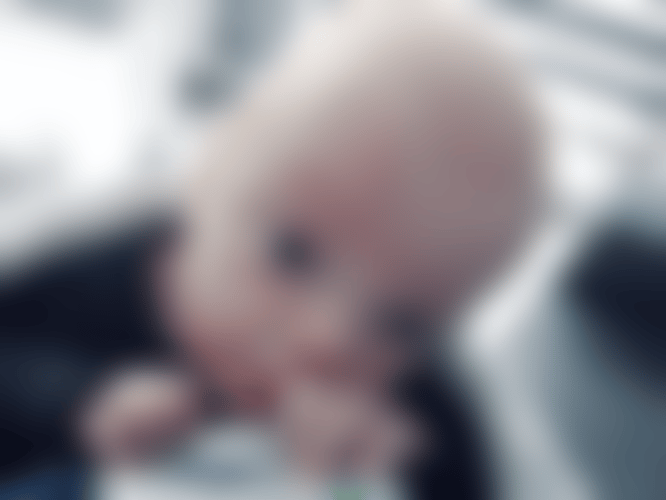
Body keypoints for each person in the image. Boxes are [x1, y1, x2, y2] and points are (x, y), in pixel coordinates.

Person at [4, 0, 543, 497]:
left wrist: (397, 469)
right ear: (210, 172)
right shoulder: (81, 274)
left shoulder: (419, 401)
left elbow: (469, 477)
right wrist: (76, 404)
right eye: (292, 253)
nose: (328, 336)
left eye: (400, 323)